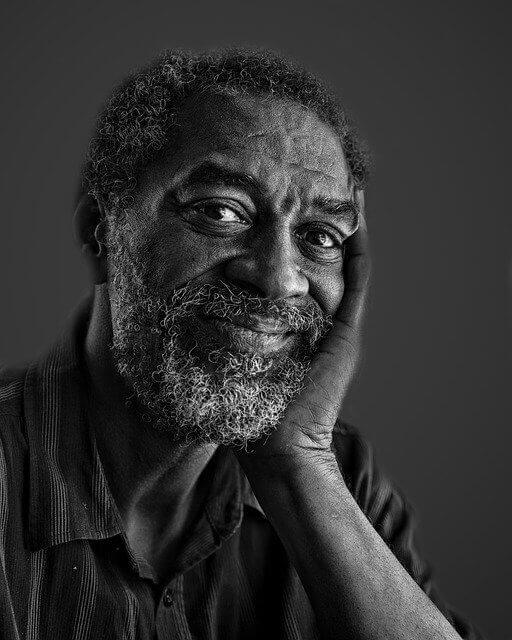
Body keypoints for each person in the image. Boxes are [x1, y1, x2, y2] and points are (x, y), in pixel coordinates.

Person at [0, 49, 483, 640]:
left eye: (320, 236)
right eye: (221, 211)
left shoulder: (344, 480)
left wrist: (297, 467)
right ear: (101, 234)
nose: (279, 277)